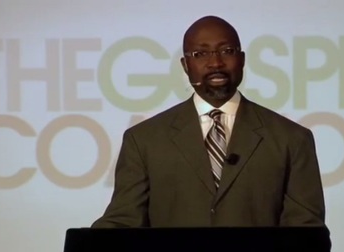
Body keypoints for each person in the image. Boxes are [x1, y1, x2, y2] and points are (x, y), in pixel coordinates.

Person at [91, 15, 326, 228]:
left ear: (242, 59)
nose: (215, 63)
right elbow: (124, 221)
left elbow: (305, 230)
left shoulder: (291, 139)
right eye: (201, 54)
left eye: (227, 50)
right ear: (185, 65)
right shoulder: (143, 140)